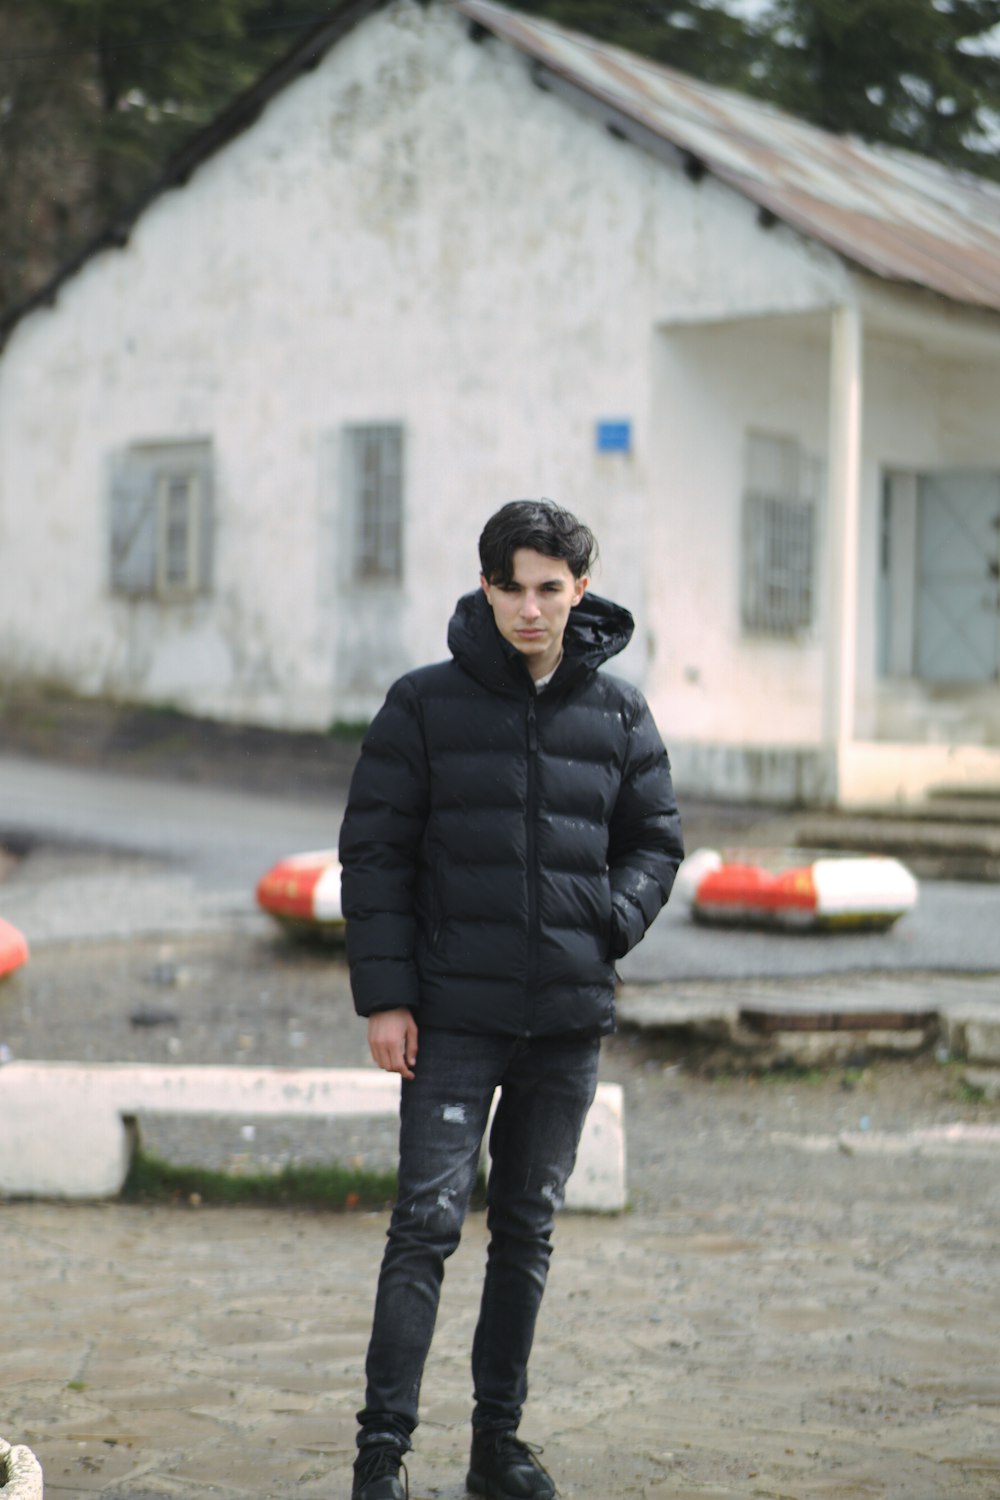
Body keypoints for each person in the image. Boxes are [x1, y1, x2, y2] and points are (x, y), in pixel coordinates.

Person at [339, 498, 684, 1500]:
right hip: (450, 1018)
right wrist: (387, 998)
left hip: (566, 1023)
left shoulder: (617, 713)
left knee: (525, 1232)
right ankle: (382, 1455)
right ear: (485, 588)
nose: (530, 610)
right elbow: (375, 856)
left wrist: (607, 921)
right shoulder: (421, 706)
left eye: (549, 588)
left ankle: (497, 1448)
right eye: (512, 588)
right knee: (426, 1226)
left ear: (579, 589)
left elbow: (654, 840)